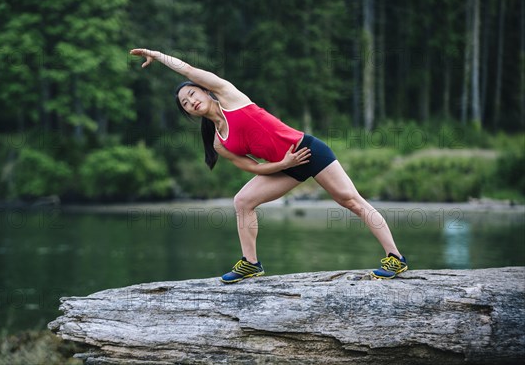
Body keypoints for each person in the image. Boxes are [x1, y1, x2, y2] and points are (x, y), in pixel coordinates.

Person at [130, 48, 408, 283]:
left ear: (205, 91)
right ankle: (251, 263)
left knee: (351, 201)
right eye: (185, 103)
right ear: (187, 112)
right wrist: (284, 163)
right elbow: (253, 168)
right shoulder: (218, 143)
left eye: (192, 94)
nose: (191, 101)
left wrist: (156, 55)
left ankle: (395, 258)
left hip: (307, 150)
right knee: (243, 201)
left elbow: (188, 69)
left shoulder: (229, 95)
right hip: (284, 165)